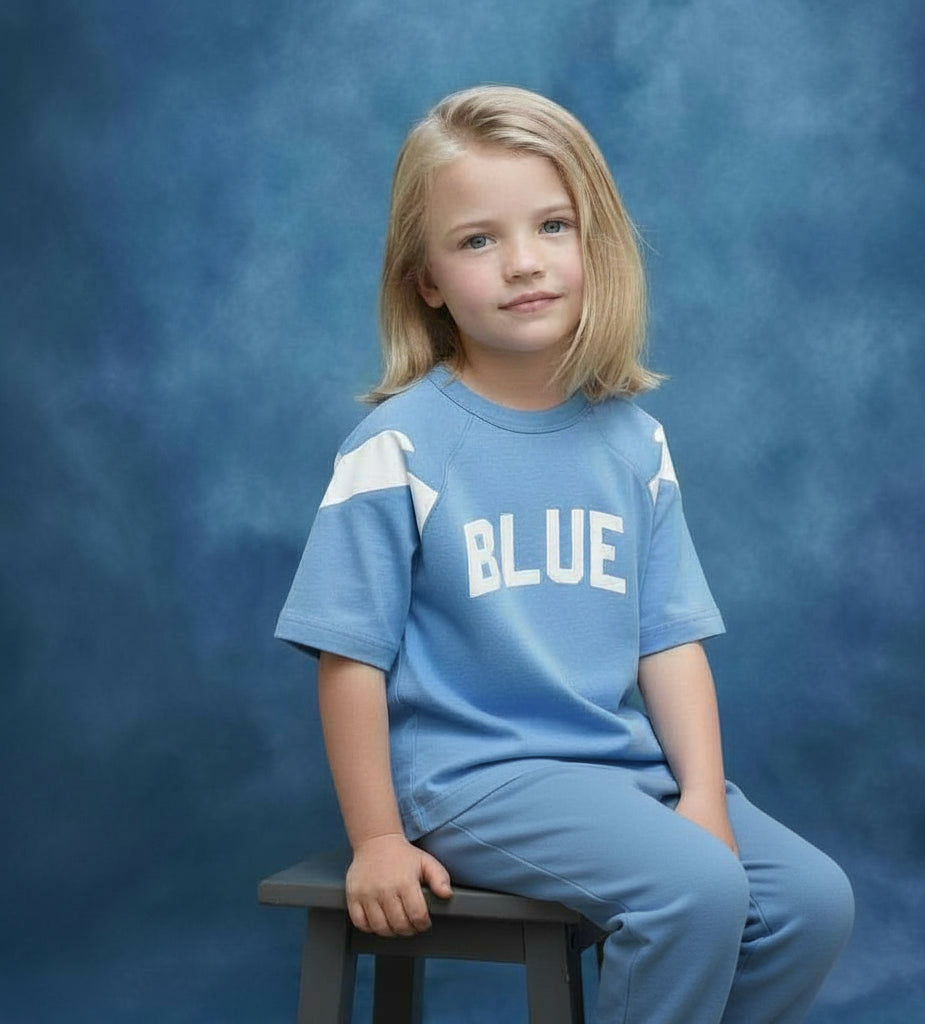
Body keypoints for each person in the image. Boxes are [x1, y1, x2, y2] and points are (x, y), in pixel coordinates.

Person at [276, 84, 854, 1024]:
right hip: (472, 783)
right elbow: (350, 657)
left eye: (553, 225)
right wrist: (376, 837)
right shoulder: (399, 447)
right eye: (476, 240)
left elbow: (668, 643)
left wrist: (703, 795)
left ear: (596, 243)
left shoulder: (636, 443)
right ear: (425, 278)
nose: (523, 264)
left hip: (618, 772)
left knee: (810, 902)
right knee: (695, 892)